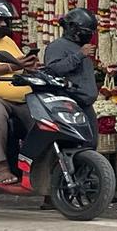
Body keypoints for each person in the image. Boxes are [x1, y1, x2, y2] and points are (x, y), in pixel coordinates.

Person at [0, 0, 38, 185]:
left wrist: (30, 66)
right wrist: (11, 67)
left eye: (5, 20)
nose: (2, 24)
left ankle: (44, 170)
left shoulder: (8, 41)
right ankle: (0, 166)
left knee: (44, 121)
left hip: (23, 96)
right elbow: (12, 65)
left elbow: (19, 63)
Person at [43, 8, 100, 144]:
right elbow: (53, 69)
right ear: (72, 28)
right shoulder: (57, 46)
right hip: (69, 104)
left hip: (85, 105)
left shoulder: (81, 47)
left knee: (91, 144)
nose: (89, 36)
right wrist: (79, 55)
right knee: (75, 145)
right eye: (86, 32)